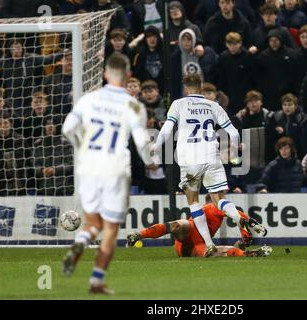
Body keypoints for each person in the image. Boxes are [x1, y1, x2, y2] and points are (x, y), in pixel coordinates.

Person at [61, 53, 156, 295]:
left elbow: (67, 128)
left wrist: (82, 146)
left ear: (105, 74)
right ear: (128, 76)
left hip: (89, 165)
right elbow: (142, 143)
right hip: (115, 167)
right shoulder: (133, 105)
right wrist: (150, 161)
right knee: (110, 228)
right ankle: (96, 280)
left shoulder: (88, 99)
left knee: (93, 222)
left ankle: (80, 242)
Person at [152, 74, 267, 257]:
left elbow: (167, 128)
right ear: (201, 86)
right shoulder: (214, 106)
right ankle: (239, 218)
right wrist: (236, 147)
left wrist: (156, 146)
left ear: (185, 88)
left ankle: (208, 243)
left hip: (190, 158)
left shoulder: (178, 104)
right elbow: (233, 132)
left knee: (194, 201)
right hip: (212, 156)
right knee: (218, 199)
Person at [126, 197, 271, 257]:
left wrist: (245, 235)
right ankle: (138, 235)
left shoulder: (219, 209)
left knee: (214, 252)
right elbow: (241, 218)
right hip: (188, 235)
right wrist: (247, 234)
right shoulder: (213, 207)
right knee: (181, 224)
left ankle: (245, 253)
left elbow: (241, 218)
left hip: (195, 246)